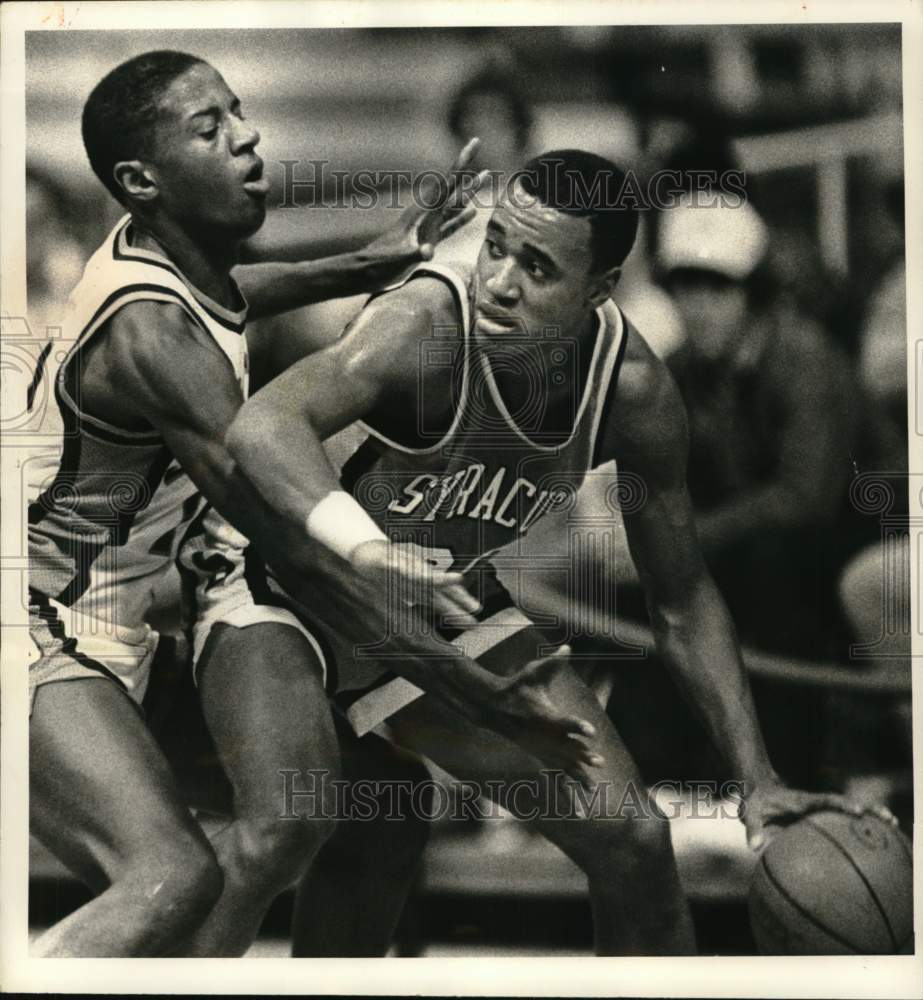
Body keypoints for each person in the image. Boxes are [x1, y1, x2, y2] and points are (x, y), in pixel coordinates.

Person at [225, 150, 893, 955]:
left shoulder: (634, 390)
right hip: (286, 584)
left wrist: (755, 778)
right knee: (321, 839)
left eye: (537, 267)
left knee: (635, 842)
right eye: (497, 245)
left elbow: (679, 596)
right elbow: (263, 425)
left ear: (599, 291)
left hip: (438, 609)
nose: (500, 280)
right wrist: (365, 549)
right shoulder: (426, 323)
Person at [27, 49, 594, 957]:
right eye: (209, 130)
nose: (248, 136)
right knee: (172, 878)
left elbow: (236, 295)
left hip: (118, 615)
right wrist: (459, 683)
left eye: (238, 111)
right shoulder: (153, 335)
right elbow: (288, 542)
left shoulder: (164, 265)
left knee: (381, 806)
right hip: (35, 622)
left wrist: (369, 261)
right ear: (141, 178)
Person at [656, 192, 859, 656]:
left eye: (718, 289)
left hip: (851, 540)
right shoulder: (680, 368)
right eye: (686, 288)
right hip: (754, 547)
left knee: (772, 561)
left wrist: (687, 538)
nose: (698, 307)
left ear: (754, 293)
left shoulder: (806, 360)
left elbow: (804, 500)